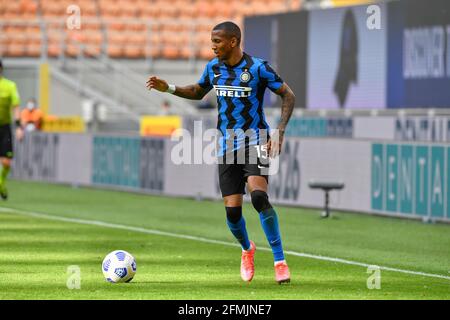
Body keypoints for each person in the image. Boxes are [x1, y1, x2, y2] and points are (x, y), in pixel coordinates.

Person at [146, 21, 295, 284]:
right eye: (212, 41)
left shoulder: (258, 68)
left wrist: (280, 131)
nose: (212, 46)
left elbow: (288, 95)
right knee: (233, 213)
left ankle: (280, 260)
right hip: (226, 145)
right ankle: (247, 249)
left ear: (233, 41)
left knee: (259, 197)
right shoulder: (213, 68)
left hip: (255, 139)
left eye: (217, 41)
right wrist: (168, 88)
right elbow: (197, 91)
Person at [0, 59, 23, 200]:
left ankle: (1, 183)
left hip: (4, 127)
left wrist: (19, 126)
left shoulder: (10, 86)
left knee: (6, 161)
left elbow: (15, 106)